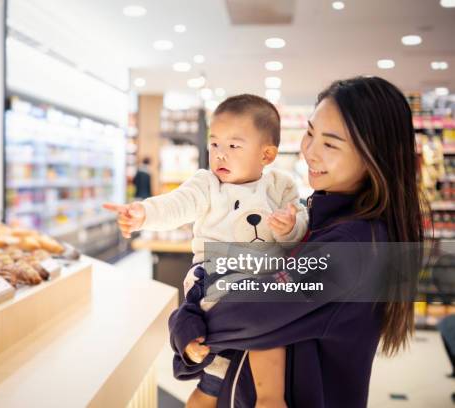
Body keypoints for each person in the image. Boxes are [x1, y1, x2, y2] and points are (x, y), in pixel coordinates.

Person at [168, 76, 427, 407]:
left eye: (330, 144)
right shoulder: (325, 220)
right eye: (309, 133)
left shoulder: (352, 245)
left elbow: (245, 313)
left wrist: (184, 318)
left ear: (375, 157)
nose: (309, 152)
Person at [104, 94, 309, 407]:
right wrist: (144, 213)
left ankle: (238, 391)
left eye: (234, 146)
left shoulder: (281, 186)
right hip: (214, 277)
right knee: (261, 317)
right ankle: (269, 398)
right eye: (215, 145)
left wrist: (289, 227)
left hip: (262, 278)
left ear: (266, 154)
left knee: (218, 377)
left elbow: (301, 224)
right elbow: (177, 204)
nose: (220, 155)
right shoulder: (207, 184)